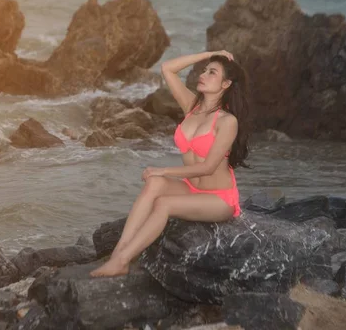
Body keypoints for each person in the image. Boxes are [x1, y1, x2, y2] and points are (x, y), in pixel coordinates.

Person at [90, 50, 251, 278]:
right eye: (204, 70)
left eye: (212, 72)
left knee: (163, 203)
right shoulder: (191, 107)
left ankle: (123, 260)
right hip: (192, 189)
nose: (203, 75)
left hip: (219, 198)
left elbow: (207, 168)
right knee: (154, 184)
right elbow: (168, 68)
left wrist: (163, 169)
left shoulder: (227, 121)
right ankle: (118, 254)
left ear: (226, 84)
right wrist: (211, 53)